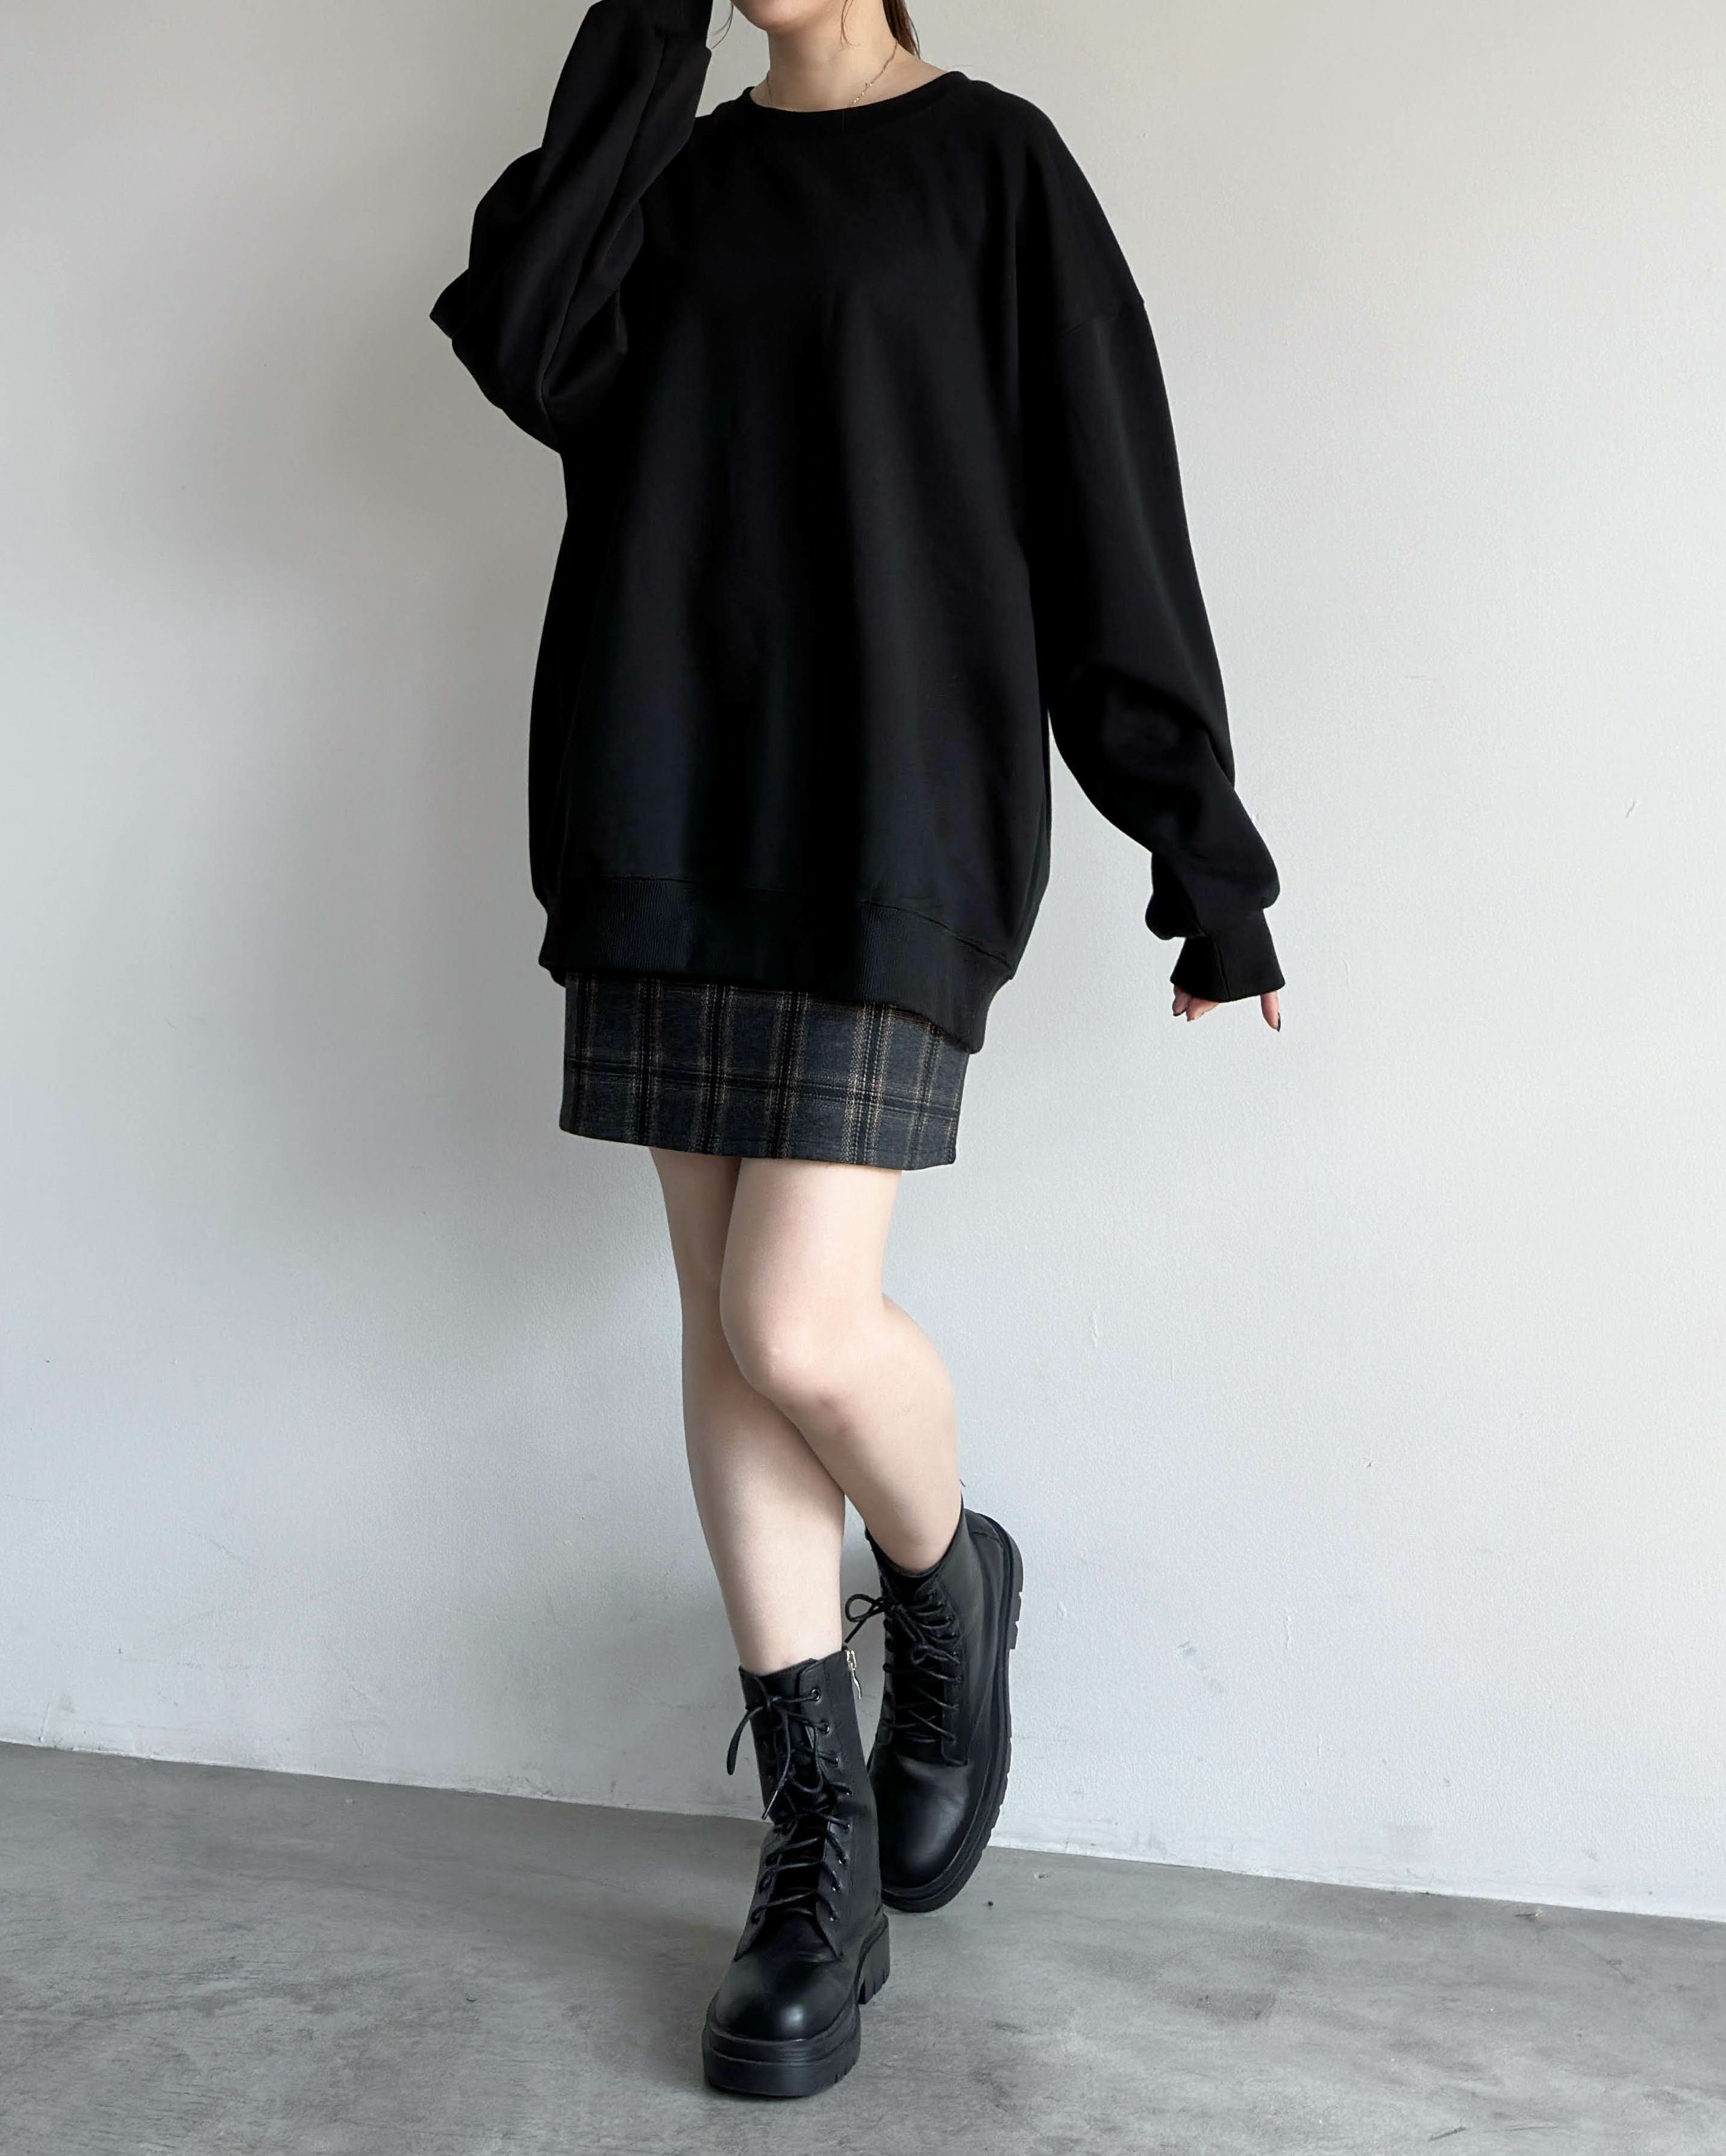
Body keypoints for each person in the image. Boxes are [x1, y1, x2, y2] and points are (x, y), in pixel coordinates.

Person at [432, 0, 1283, 2100]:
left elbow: (1104, 508)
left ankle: (942, 1570)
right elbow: (525, 344)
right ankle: (809, 1852)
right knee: (726, 1335)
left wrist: (1199, 849)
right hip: (661, 798)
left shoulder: (994, 168)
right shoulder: (670, 174)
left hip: (893, 812)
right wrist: (639, 41)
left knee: (794, 1323)